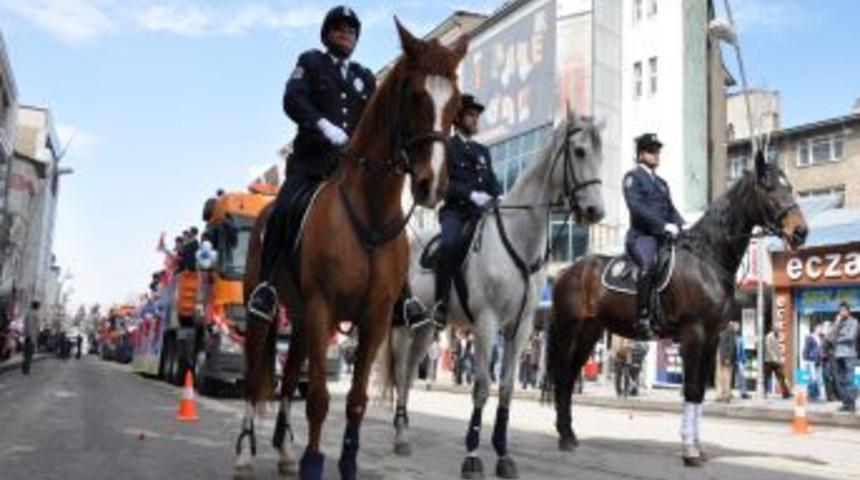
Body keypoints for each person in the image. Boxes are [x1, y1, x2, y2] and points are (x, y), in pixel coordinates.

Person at [248, 5, 376, 323]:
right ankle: (266, 287)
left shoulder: (364, 76)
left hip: (348, 171)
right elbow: (293, 99)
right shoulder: (311, 62)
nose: (346, 35)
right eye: (340, 29)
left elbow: (375, 120)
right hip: (311, 164)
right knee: (282, 210)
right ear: (327, 34)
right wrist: (322, 125)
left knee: (384, 216)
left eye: (351, 31)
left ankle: (397, 293)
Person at [430, 94, 503, 330]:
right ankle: (440, 303)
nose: (475, 119)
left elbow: (492, 181)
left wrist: (500, 195)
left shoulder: (483, 151)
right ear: (457, 119)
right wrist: (470, 194)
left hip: (483, 213)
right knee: (449, 244)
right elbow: (442, 185)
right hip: (456, 212)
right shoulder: (446, 147)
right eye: (470, 115)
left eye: (476, 115)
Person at [622, 133, 685, 338]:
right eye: (651, 150)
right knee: (648, 265)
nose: (656, 154)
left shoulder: (662, 183)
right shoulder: (632, 178)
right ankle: (642, 317)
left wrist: (683, 225)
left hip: (662, 237)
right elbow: (637, 208)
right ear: (641, 154)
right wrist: (663, 225)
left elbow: (670, 209)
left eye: (657, 150)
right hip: (642, 237)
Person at [827, 301, 857, 412]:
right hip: (837, 355)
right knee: (841, 381)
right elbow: (829, 337)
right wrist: (836, 323)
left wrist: (837, 339)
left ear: (848, 311)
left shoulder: (854, 322)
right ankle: (845, 404)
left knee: (849, 380)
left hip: (849, 355)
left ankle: (852, 404)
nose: (841, 312)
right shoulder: (838, 323)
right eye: (840, 310)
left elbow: (850, 337)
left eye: (843, 310)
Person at [764, 328, 792, 399]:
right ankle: (765, 393)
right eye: (777, 330)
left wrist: (780, 358)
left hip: (776, 361)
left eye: (778, 330)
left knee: (781, 376)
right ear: (774, 330)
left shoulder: (777, 336)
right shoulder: (769, 337)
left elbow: (777, 349)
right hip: (769, 361)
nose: (778, 332)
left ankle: (785, 393)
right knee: (767, 377)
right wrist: (774, 357)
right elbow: (768, 348)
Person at [716, 321, 737, 402]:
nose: (737, 328)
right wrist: (727, 358)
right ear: (731, 326)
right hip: (725, 359)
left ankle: (721, 394)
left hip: (722, 358)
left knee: (721, 377)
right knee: (726, 377)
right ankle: (725, 395)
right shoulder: (730, 333)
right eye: (736, 326)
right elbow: (728, 347)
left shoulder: (724, 333)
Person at [802, 323, 823, 401]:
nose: (820, 329)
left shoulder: (820, 337)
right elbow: (806, 349)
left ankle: (816, 395)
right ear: (815, 328)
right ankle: (811, 395)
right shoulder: (809, 337)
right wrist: (806, 358)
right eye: (819, 328)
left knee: (817, 378)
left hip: (818, 360)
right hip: (811, 360)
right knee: (812, 378)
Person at [733, 323, 750, 399]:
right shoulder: (731, 337)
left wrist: (744, 359)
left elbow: (742, 350)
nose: (737, 328)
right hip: (732, 360)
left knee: (742, 376)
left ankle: (743, 392)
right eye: (736, 327)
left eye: (738, 327)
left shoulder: (739, 338)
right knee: (730, 377)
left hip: (739, 360)